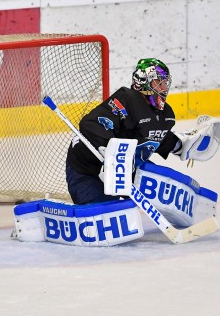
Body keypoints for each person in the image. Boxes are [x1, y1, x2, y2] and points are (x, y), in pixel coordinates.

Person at [66, 57, 181, 205]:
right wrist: (108, 150)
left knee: (161, 186)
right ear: (143, 82)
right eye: (158, 83)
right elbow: (91, 124)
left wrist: (180, 145)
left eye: (165, 83)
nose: (164, 88)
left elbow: (152, 136)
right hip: (87, 168)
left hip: (124, 166)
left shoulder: (165, 114)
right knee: (104, 212)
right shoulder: (126, 99)